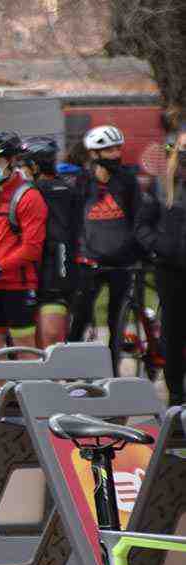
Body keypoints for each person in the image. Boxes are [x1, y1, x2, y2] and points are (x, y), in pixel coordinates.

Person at [68, 125, 144, 374]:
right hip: (89, 260)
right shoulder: (82, 182)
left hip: (122, 262)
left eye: (117, 148)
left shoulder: (128, 181)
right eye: (107, 149)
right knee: (80, 319)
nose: (114, 154)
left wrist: (138, 251)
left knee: (116, 321)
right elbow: (74, 221)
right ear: (94, 153)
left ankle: (113, 372)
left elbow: (137, 218)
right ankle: (71, 373)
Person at [0, 131, 48, 355]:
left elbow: (32, 248)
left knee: (25, 352)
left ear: (12, 161)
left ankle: (32, 391)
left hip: (18, 287)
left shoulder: (29, 197)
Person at [135, 127, 186, 405]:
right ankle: (176, 397)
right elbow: (142, 226)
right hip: (171, 270)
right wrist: (161, 246)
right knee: (174, 333)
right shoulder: (160, 184)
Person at [17, 136, 82, 348]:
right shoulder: (67, 190)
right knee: (45, 341)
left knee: (45, 341)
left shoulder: (37, 192)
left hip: (49, 276)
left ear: (35, 166)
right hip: (50, 274)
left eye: (24, 166)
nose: (22, 171)